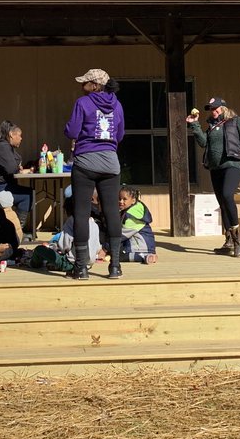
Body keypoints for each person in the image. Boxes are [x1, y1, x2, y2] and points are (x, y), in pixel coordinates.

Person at [64, 68, 125, 280]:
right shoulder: (117, 105)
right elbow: (120, 134)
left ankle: (81, 268)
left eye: (85, 83)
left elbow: (72, 131)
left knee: (81, 212)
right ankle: (115, 266)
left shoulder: (83, 103)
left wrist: (69, 130)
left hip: (86, 162)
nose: (82, 87)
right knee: (112, 212)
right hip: (111, 163)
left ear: (95, 86)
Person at [187, 96, 240, 257]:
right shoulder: (212, 125)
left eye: (215, 108)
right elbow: (203, 143)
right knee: (222, 202)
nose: (213, 111)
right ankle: (229, 240)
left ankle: (238, 235)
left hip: (232, 165)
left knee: (227, 194)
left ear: (223, 108)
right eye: (211, 109)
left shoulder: (237, 122)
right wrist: (194, 124)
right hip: (215, 168)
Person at [30, 191, 101, 273]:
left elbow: (64, 245)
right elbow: (98, 247)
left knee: (39, 249)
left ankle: (34, 264)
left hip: (71, 263)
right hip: (88, 265)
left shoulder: (71, 221)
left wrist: (52, 247)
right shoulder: (94, 224)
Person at [117, 185, 157, 264]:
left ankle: (143, 256)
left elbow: (121, 236)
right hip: (146, 247)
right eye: (119, 199)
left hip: (141, 248)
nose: (121, 201)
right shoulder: (133, 210)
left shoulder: (131, 217)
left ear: (133, 200)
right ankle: (147, 255)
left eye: (124, 199)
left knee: (117, 256)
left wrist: (105, 248)